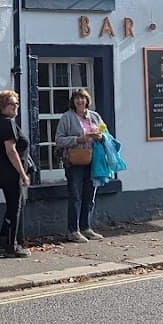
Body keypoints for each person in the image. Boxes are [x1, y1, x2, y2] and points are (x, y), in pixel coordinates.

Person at [0, 89, 31, 258]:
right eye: (11, 104)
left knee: (16, 204)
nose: (15, 107)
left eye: (16, 103)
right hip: (9, 172)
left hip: (2, 171)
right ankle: (12, 245)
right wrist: (22, 173)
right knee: (15, 207)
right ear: (2, 106)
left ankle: (3, 238)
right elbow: (11, 151)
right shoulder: (6, 123)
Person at [54, 88, 105, 242]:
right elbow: (59, 140)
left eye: (82, 98)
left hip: (93, 160)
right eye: (77, 98)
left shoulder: (95, 116)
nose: (80, 101)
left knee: (90, 195)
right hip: (74, 161)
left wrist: (100, 137)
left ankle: (86, 227)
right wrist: (78, 139)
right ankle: (73, 230)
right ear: (73, 101)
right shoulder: (67, 118)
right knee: (75, 195)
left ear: (87, 100)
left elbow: (105, 134)